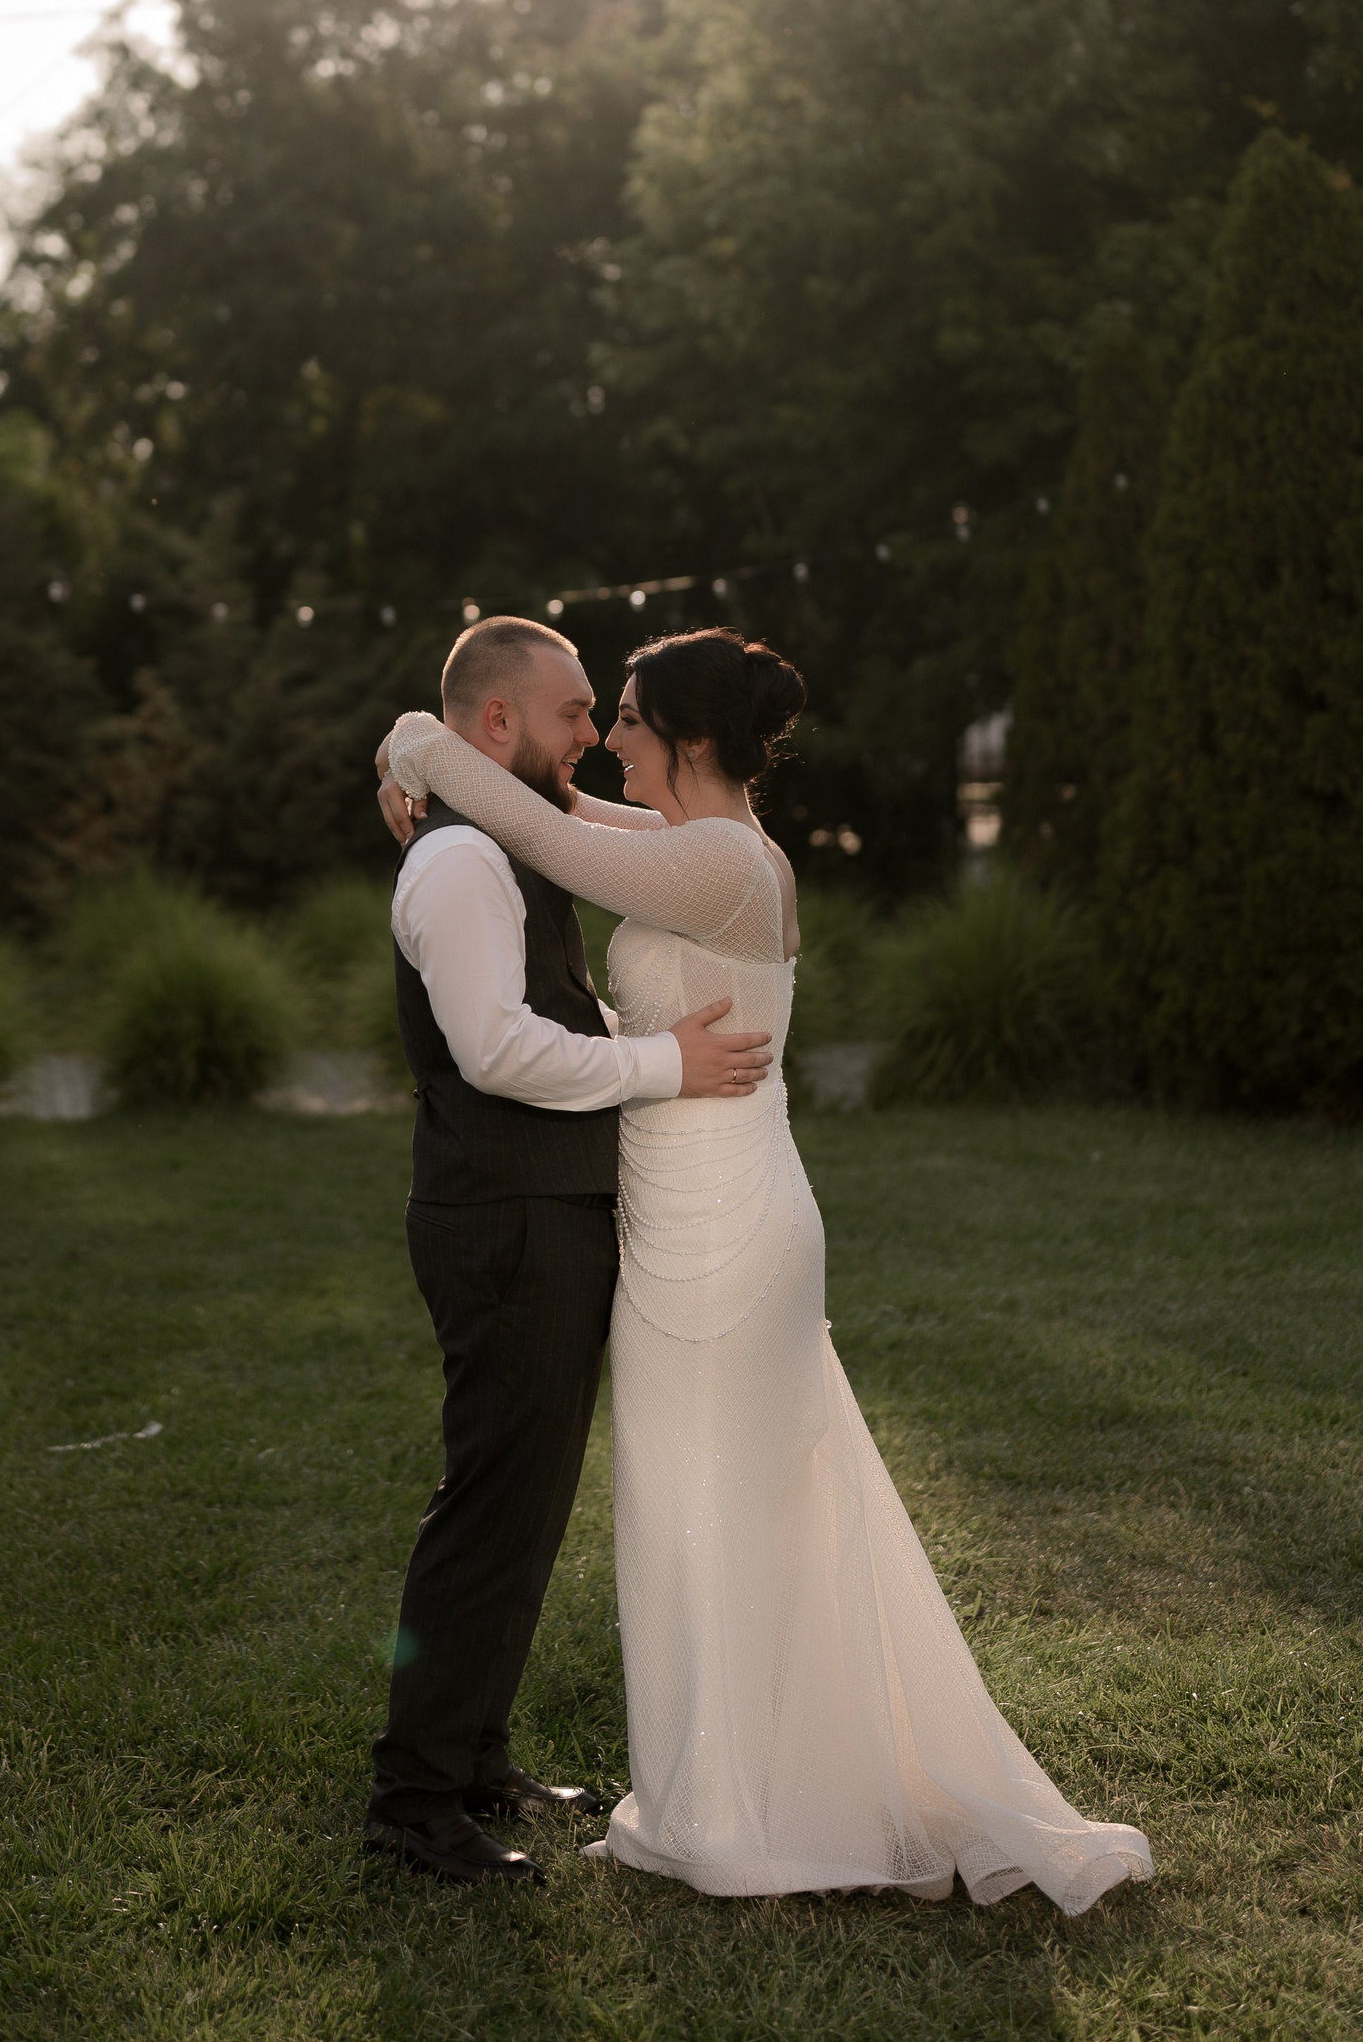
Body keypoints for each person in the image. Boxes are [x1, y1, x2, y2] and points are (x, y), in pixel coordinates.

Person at [373, 620, 1153, 1916]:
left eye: (624, 715)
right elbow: (553, 818)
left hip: (720, 1230)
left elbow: (549, 831)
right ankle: (713, 1785)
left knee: (714, 1509)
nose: (603, 739)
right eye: (590, 712)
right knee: (704, 1506)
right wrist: (431, 755)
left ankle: (734, 1810)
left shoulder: (727, 862)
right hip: (687, 1211)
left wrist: (414, 742)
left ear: (686, 737)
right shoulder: (702, 846)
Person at [363, 614, 776, 1887]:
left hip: (543, 1209)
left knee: (529, 1501)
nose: (593, 733)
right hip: (504, 1217)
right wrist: (661, 1063)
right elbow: (496, 1050)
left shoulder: (512, 839)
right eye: (574, 711)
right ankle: (415, 1800)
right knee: (493, 1503)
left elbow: (548, 1003)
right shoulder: (457, 862)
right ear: (497, 723)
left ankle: (475, 1757)